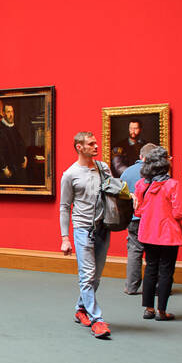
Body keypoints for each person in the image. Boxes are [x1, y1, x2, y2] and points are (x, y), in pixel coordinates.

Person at [60, 130, 113, 339]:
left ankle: (81, 309)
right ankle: (97, 320)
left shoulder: (103, 168)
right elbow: (65, 207)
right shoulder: (70, 174)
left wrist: (131, 196)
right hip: (82, 229)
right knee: (87, 275)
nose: (96, 146)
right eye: (91, 144)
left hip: (103, 227)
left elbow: (114, 191)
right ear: (79, 147)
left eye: (95, 143)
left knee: (96, 276)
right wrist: (65, 238)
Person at [132, 146, 182, 321]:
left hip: (148, 233)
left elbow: (138, 211)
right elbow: (180, 212)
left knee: (150, 269)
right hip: (168, 234)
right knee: (165, 272)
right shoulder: (172, 185)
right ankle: (162, 311)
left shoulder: (142, 184)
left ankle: (149, 309)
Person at [119, 143, 157, 295]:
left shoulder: (127, 172)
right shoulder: (156, 173)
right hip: (152, 218)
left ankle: (131, 287)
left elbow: (121, 195)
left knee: (134, 251)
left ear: (141, 156)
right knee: (154, 253)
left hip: (133, 218)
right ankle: (154, 288)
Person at [0, 101, 28, 184]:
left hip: (16, 168)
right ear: (3, 113)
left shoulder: (14, 128)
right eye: (8, 112)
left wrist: (24, 157)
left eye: (12, 112)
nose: (11, 115)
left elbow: (21, 144)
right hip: (5, 171)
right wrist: (4, 168)